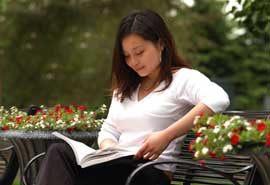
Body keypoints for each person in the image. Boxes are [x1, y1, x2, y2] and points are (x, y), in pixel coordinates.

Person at [35, 9, 230, 185]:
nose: (133, 62)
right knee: (59, 152)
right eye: (127, 56)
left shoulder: (183, 79)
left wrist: (165, 136)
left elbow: (218, 98)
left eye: (139, 52)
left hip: (149, 172)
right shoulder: (125, 88)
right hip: (116, 167)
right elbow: (108, 130)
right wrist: (109, 150)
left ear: (160, 44)